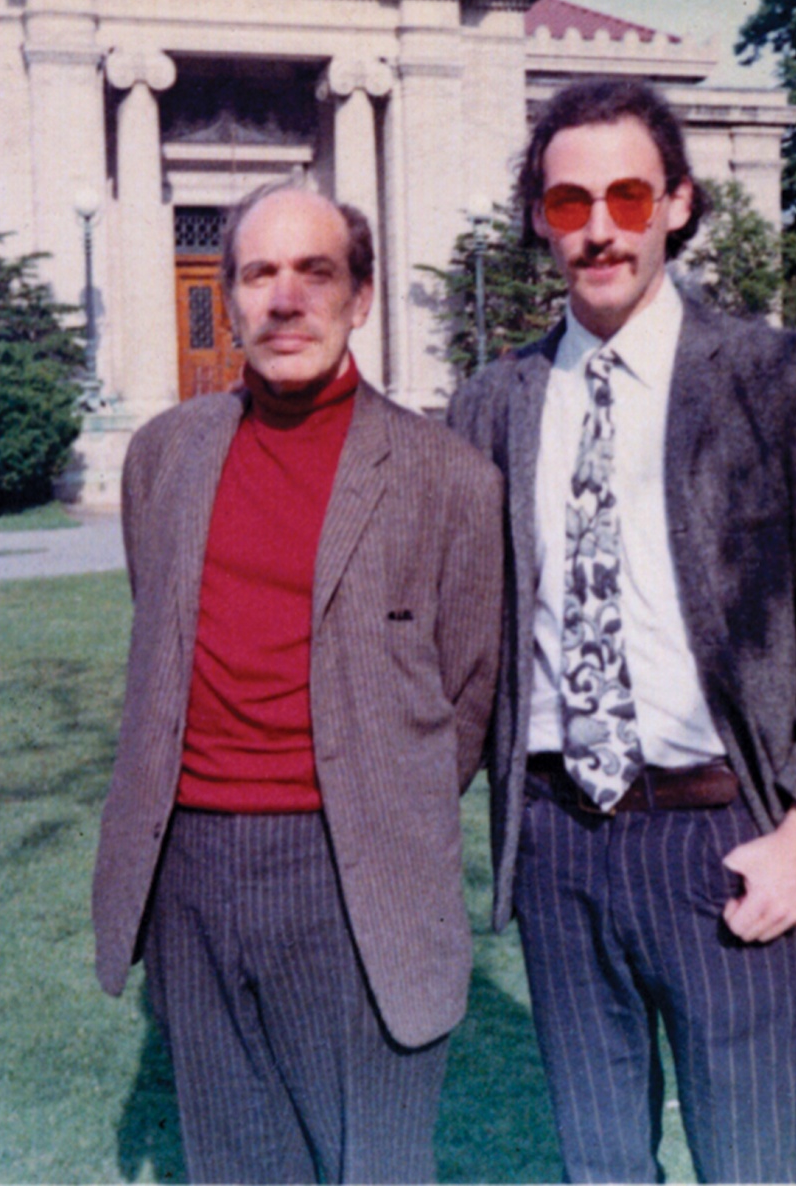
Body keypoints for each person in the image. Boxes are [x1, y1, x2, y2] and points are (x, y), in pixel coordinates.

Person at [448, 78, 796, 1183]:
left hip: (721, 840)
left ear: (677, 205)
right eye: (565, 204)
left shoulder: (781, 381)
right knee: (599, 1171)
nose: (596, 229)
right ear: (538, 220)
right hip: (555, 842)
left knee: (748, 1165)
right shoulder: (490, 404)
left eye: (626, 196)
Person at [92, 183, 503, 1184]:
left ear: (359, 296)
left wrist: (369, 801)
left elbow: (466, 694)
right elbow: (163, 636)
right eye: (256, 273)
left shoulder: (445, 477)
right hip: (187, 870)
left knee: (372, 1167)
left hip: (348, 875)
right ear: (228, 299)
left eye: (314, 271)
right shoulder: (164, 458)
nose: (284, 299)